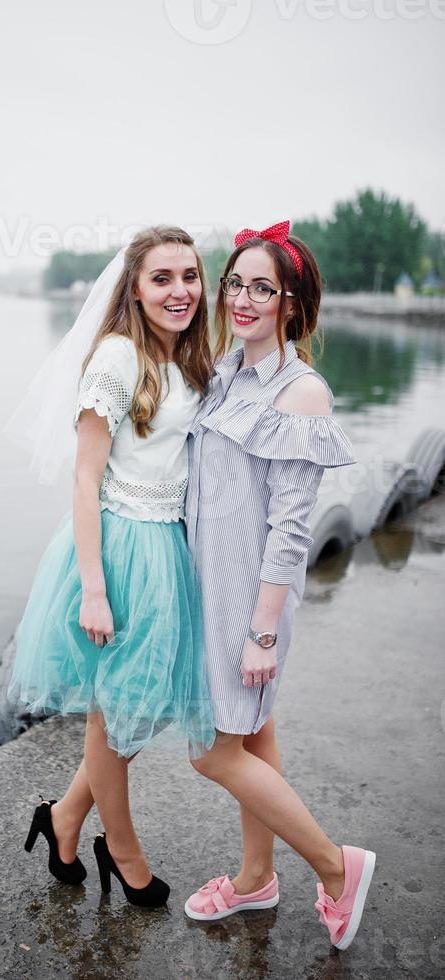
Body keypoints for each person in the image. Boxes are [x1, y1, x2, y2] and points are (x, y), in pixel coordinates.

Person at [5, 226, 217, 908]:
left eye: (189, 275)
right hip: (117, 552)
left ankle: (64, 818)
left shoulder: (183, 357)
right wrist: (94, 590)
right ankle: (122, 853)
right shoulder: (119, 360)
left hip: (164, 548)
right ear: (134, 288)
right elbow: (84, 481)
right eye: (162, 278)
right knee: (114, 714)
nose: (180, 290)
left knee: (125, 709)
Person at [183, 221, 376, 951]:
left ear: (291, 304)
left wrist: (262, 631)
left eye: (263, 287)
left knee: (210, 750)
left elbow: (293, 532)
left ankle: (336, 867)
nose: (243, 298)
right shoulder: (225, 371)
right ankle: (255, 877)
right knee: (255, 737)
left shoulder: (302, 394)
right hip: (211, 588)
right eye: (235, 282)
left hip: (249, 602)